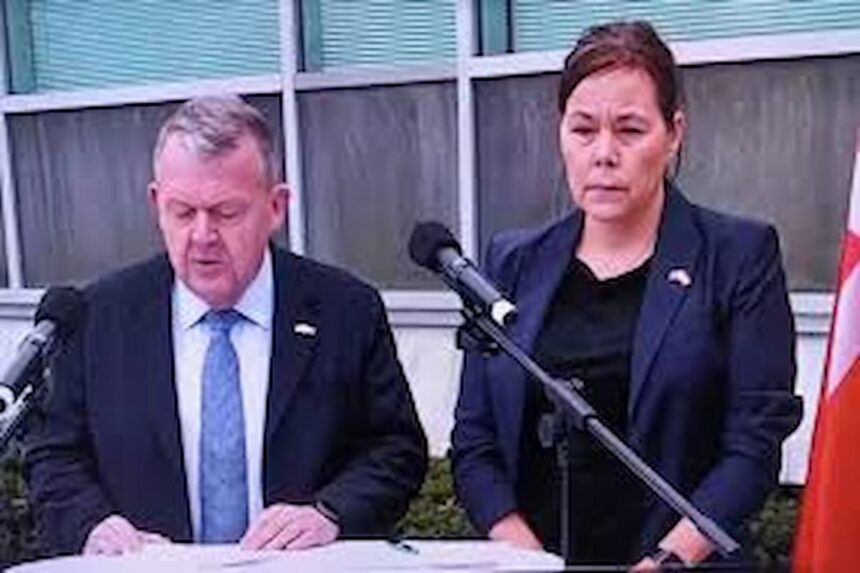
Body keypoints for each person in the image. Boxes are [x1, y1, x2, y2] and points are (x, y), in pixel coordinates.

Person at [451, 21, 801, 568]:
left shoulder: (737, 256)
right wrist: (523, 553)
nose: (604, 154)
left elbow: (753, 445)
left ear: (673, 133)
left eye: (630, 130)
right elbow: (476, 441)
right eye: (583, 130)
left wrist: (669, 560)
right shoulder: (512, 262)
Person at [25, 95, 428, 556]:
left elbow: (396, 449)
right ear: (156, 204)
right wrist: (93, 524)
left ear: (275, 207)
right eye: (182, 212)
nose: (202, 236)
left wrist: (328, 514)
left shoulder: (345, 311)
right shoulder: (97, 317)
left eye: (226, 213)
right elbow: (55, 455)